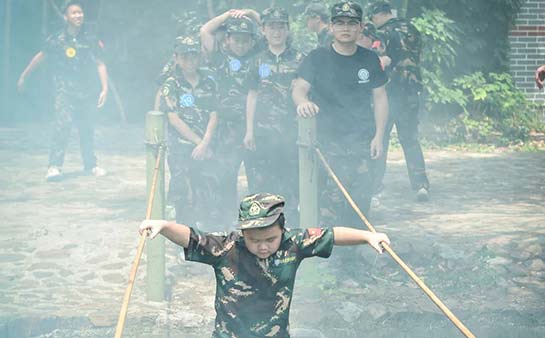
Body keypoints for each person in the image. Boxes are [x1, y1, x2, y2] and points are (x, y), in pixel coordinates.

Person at [139, 192, 390, 338]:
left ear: (283, 228)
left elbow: (332, 235)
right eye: (254, 240)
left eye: (270, 239)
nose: (262, 246)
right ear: (242, 234)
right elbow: (192, 236)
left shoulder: (294, 242)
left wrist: (368, 236)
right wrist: (163, 226)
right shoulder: (227, 247)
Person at [292, 1, 389, 225]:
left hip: (362, 140)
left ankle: (355, 253)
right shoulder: (316, 58)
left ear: (361, 27)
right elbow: (299, 90)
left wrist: (379, 135)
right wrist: (303, 103)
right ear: (332, 27)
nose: (346, 28)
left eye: (352, 23)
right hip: (326, 142)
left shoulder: (369, 59)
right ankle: (328, 255)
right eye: (341, 23)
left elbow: (380, 97)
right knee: (329, 203)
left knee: (361, 199)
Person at [17, 1, 108, 181]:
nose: (78, 16)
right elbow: (41, 56)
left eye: (80, 12)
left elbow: (100, 63)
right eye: (73, 13)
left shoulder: (90, 38)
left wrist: (104, 88)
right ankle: (54, 166)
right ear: (66, 17)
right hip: (65, 90)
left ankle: (90, 165)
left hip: (87, 90)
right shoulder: (57, 39)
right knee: (62, 126)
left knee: (87, 129)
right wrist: (24, 76)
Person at [243, 7, 305, 220]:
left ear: (288, 30)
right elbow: (252, 95)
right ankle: (264, 230)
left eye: (281, 27)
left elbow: (308, 94)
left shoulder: (301, 59)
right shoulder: (257, 60)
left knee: (292, 183)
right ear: (263, 30)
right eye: (271, 27)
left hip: (293, 133)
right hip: (263, 133)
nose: (276, 32)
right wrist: (249, 130)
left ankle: (291, 231)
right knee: (263, 185)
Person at [199, 10, 260, 221]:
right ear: (228, 39)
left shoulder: (258, 57)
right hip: (225, 130)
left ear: (252, 41)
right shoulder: (220, 59)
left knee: (258, 180)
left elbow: (268, 32)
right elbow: (205, 31)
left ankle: (257, 224)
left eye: (245, 40)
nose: (241, 45)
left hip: (255, 129)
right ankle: (226, 225)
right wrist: (227, 16)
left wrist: (251, 14)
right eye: (236, 40)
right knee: (225, 178)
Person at [369, 0, 430, 202]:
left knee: (381, 139)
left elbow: (378, 61)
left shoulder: (382, 33)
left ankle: (375, 187)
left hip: (389, 93)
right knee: (410, 139)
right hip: (412, 90)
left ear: (378, 15)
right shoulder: (412, 29)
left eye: (372, 18)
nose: (373, 22)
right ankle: (421, 185)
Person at [160, 36, 220, 229]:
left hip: (206, 147)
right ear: (176, 58)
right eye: (184, 57)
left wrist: (205, 143)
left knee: (207, 190)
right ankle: (184, 238)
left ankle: (205, 238)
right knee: (184, 193)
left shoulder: (209, 82)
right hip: (182, 149)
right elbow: (173, 118)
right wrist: (198, 142)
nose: (189, 61)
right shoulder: (171, 84)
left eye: (193, 56)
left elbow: (214, 114)